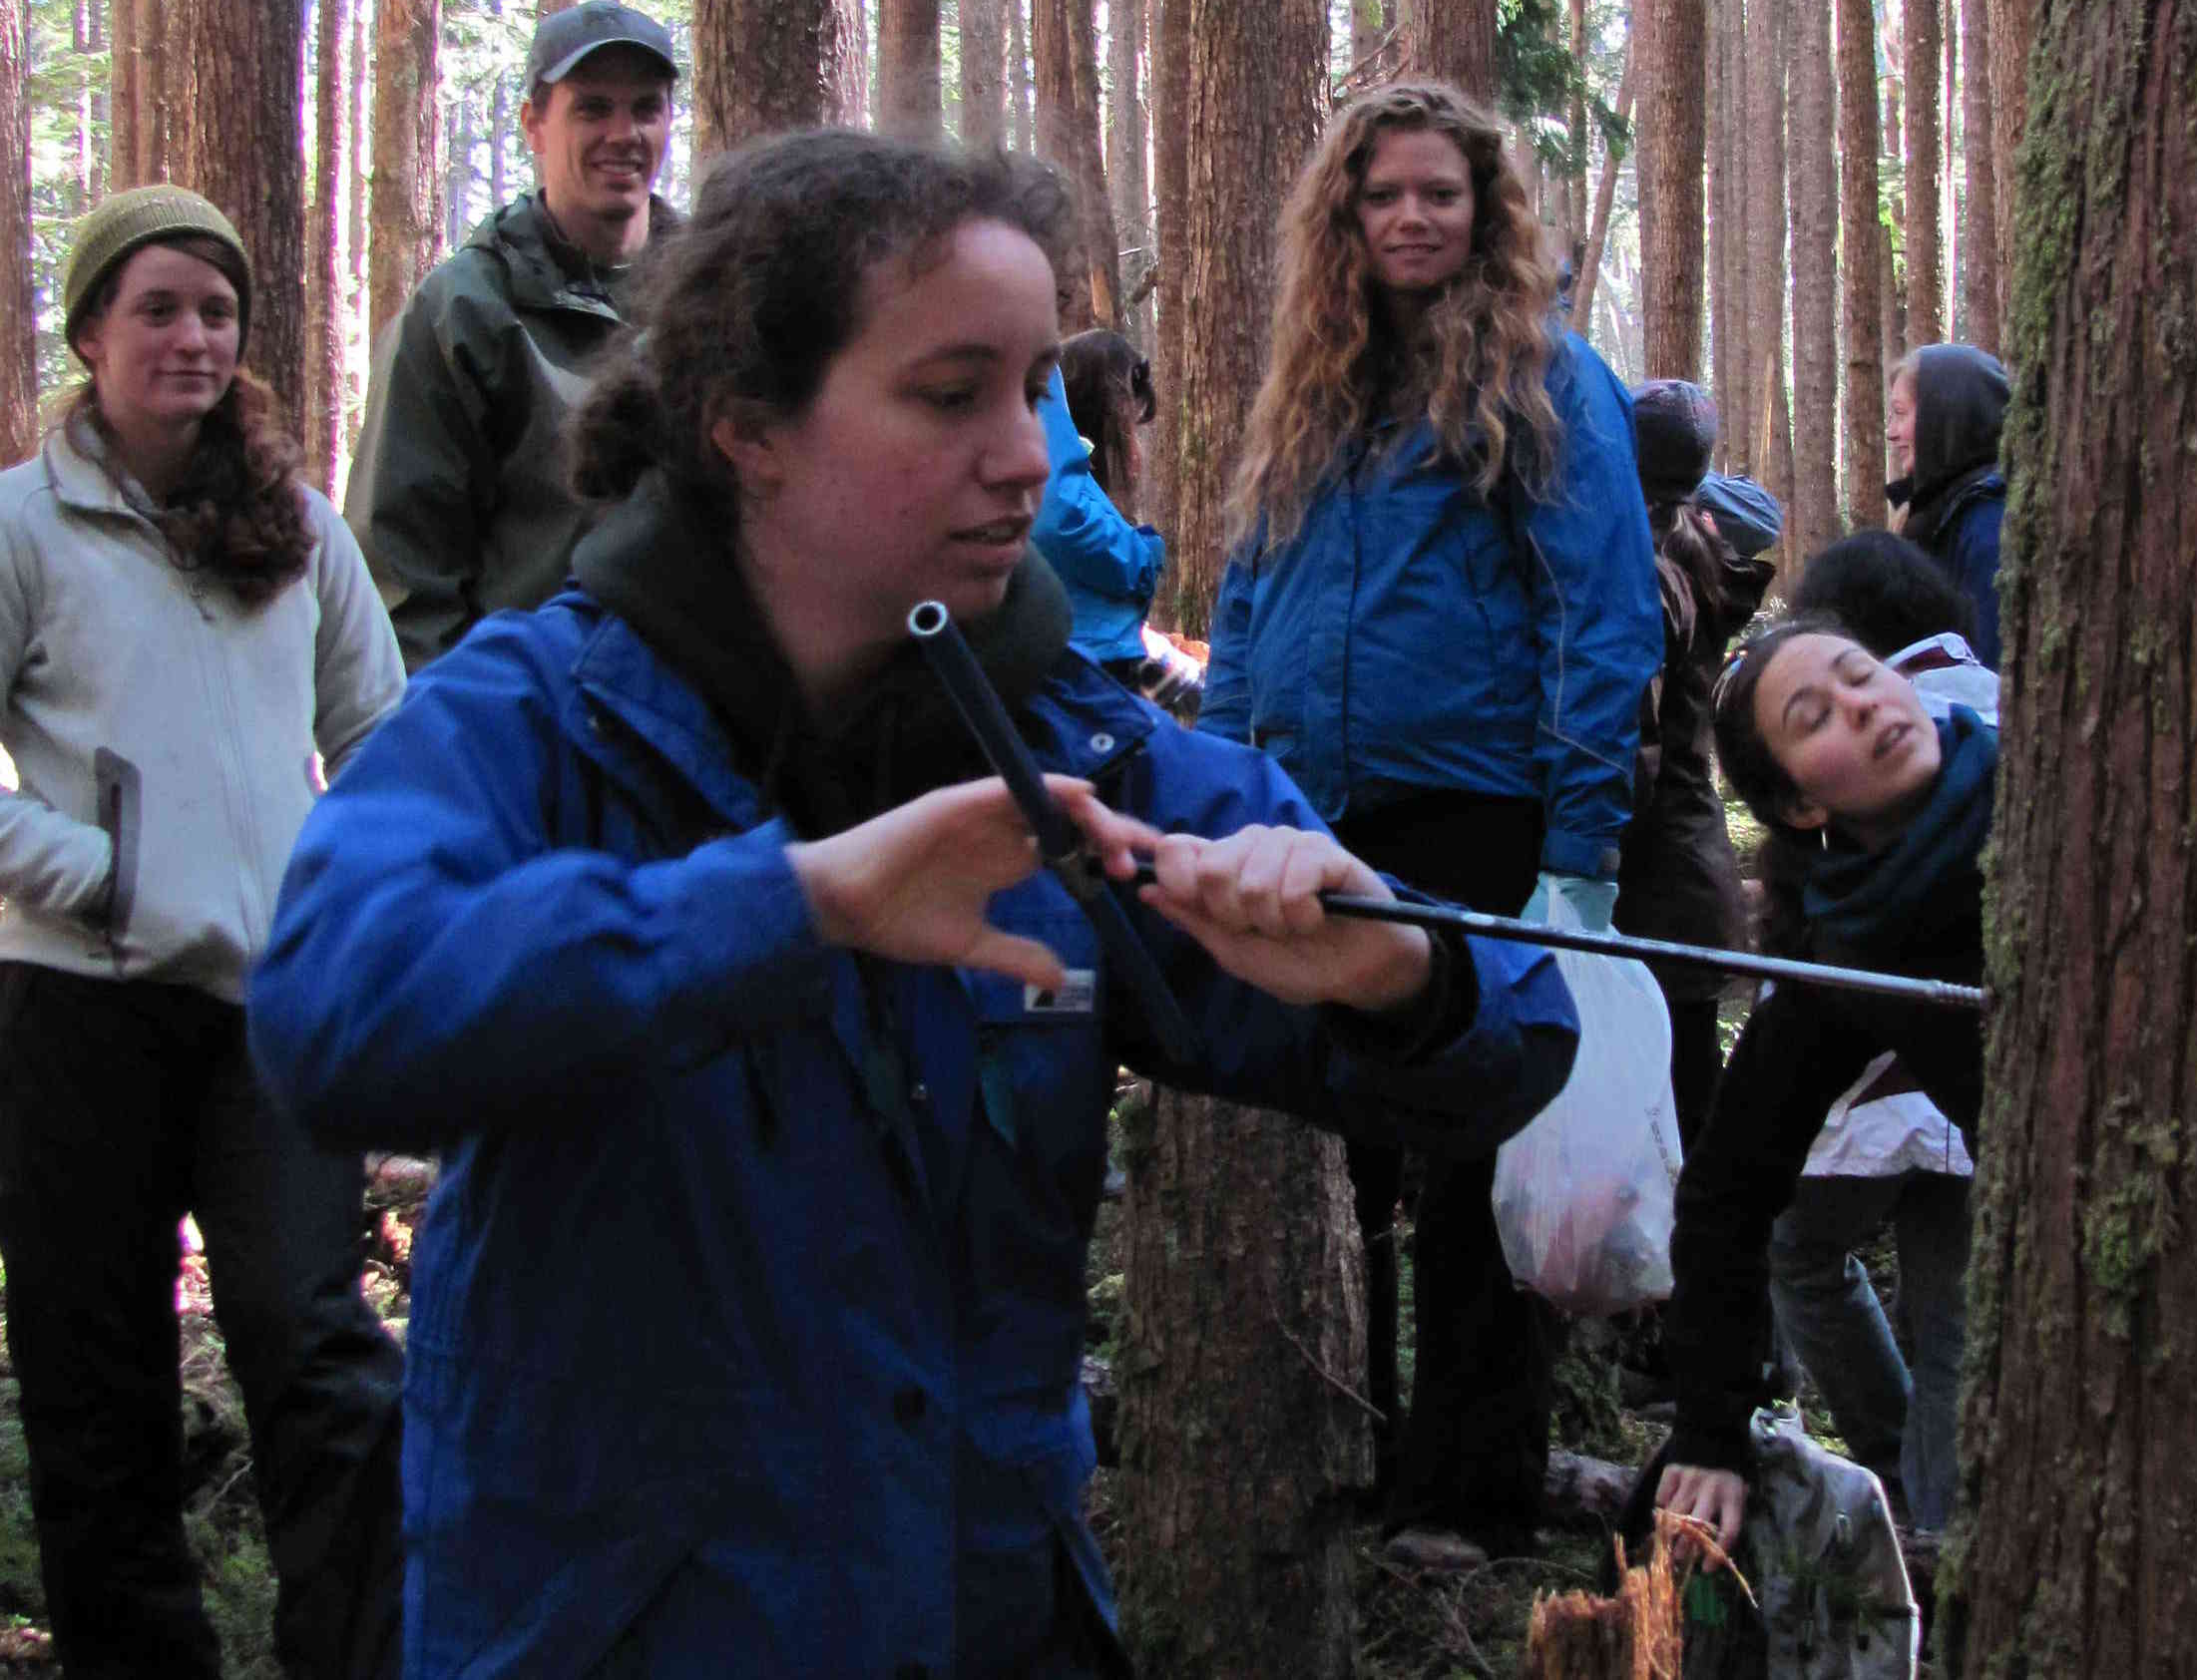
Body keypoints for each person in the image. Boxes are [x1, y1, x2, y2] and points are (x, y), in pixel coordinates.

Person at [248, 130, 1577, 1678]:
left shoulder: (1075, 744)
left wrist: (1394, 971)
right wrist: (791, 904)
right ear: (748, 428)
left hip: (982, 1617)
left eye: (1034, 390)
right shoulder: (544, 715)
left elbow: (1515, 1028)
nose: (1026, 456)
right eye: (951, 396)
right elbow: (333, 1008)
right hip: (620, 1632)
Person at [1198, 80, 1661, 1553]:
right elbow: (1248, 598)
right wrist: (1215, 784)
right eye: (1383, 194)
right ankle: (1375, 1452)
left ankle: (1472, 1495)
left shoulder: (1542, 376)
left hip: (1474, 811)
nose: (1410, 218)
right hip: (1311, 811)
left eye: (1438, 195)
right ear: (1345, 214)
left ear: (1482, 212)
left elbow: (1599, 612)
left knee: (1474, 1160)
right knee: (1344, 1153)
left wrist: (1576, 849)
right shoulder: (1313, 388)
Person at [0, 187, 405, 1679]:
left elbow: (382, 736)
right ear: (90, 333)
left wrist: (347, 898)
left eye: (217, 312)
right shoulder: (22, 527)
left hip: (269, 1014)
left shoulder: (298, 528)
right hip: (77, 1008)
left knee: (318, 1356)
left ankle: (353, 1656)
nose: (192, 337)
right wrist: (100, 877)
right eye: (157, 308)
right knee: (96, 1378)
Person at [1653, 618, 1992, 1553]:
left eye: (1861, 673)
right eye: (1815, 717)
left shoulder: (2060, 782)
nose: (1863, 704)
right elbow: (1725, 1192)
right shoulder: (1845, 945)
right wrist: (1710, 1431)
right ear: (1799, 806)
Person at [1759, 534, 1994, 1534]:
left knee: (1797, 1250)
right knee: (1950, 1327)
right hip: (1980, 1089)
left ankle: (1905, 1485)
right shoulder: (2018, 702)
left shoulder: (1865, 739)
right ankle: (1934, 1524)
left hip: (1877, 1081)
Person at [345, 0, 679, 672]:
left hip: (696, 710)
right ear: (534, 124)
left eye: (645, 108)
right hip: (533, 709)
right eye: (593, 108)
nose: (623, 134)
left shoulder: (715, 293)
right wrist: (456, 726)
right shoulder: (461, 313)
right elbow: (404, 581)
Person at [1621, 380, 1781, 1147]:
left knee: (1679, 1095)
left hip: (1655, 874)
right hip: (1679, 865)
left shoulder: (1653, 574)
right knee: (1683, 1083)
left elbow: (1633, 745)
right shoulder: (1683, 555)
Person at [1049, 328, 1203, 720]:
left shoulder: (1072, 475)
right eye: (1130, 424)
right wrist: (1145, 554)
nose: (1134, 445)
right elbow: (1068, 531)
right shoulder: (1059, 482)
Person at [1884, 343, 2010, 663]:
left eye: (1900, 414)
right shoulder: (1940, 510)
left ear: (1942, 417)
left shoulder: (1988, 519)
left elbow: (1987, 664)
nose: (1890, 432)